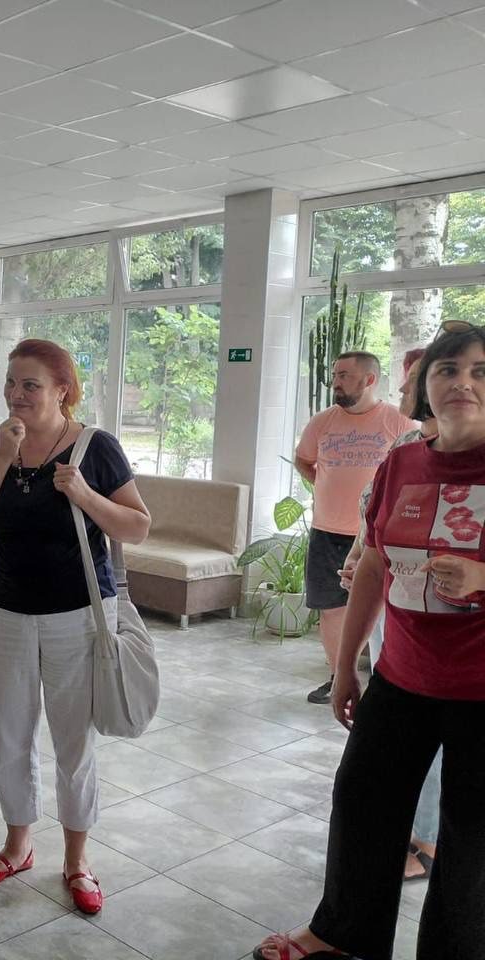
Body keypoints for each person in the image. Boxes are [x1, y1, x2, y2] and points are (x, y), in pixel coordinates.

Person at [253, 322, 485, 960]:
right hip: (402, 676)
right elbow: (375, 564)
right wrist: (348, 665)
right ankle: (341, 936)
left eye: (480, 371)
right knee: (362, 805)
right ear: (425, 386)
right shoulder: (402, 462)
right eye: (448, 370)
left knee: (471, 839)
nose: (463, 383)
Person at [0, 338, 150, 917]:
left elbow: (137, 527)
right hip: (4, 612)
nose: (16, 394)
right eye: (11, 383)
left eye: (30, 384)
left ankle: (77, 861)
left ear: (62, 390)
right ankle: (17, 846)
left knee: (72, 741)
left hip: (78, 615)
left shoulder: (97, 448)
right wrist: (1, 458)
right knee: (9, 734)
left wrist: (83, 493)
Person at [339, 348, 441, 884]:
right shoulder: (405, 450)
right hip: (395, 617)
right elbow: (375, 526)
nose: (404, 391)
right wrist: (359, 557)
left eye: (414, 380)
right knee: (372, 768)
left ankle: (426, 839)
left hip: (450, 647)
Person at [294, 352, 415, 704]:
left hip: (374, 538)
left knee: (383, 613)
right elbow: (304, 460)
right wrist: (325, 484)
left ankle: (383, 681)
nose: (336, 381)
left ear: (369, 380)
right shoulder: (322, 421)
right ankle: (337, 678)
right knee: (331, 607)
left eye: (344, 375)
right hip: (327, 530)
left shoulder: (398, 421)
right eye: (335, 374)